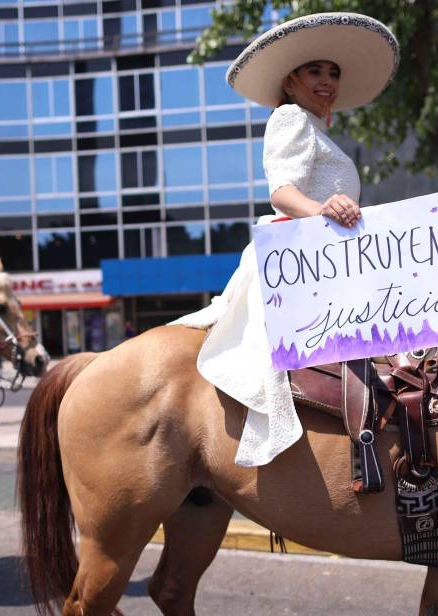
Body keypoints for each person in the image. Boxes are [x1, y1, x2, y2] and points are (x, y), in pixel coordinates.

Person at [172, 13, 399, 467]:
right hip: (300, 258)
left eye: (333, 73)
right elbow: (282, 192)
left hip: (324, 258)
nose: (327, 81)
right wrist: (324, 211)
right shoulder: (291, 117)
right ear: (290, 82)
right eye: (315, 71)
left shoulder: (317, 129)